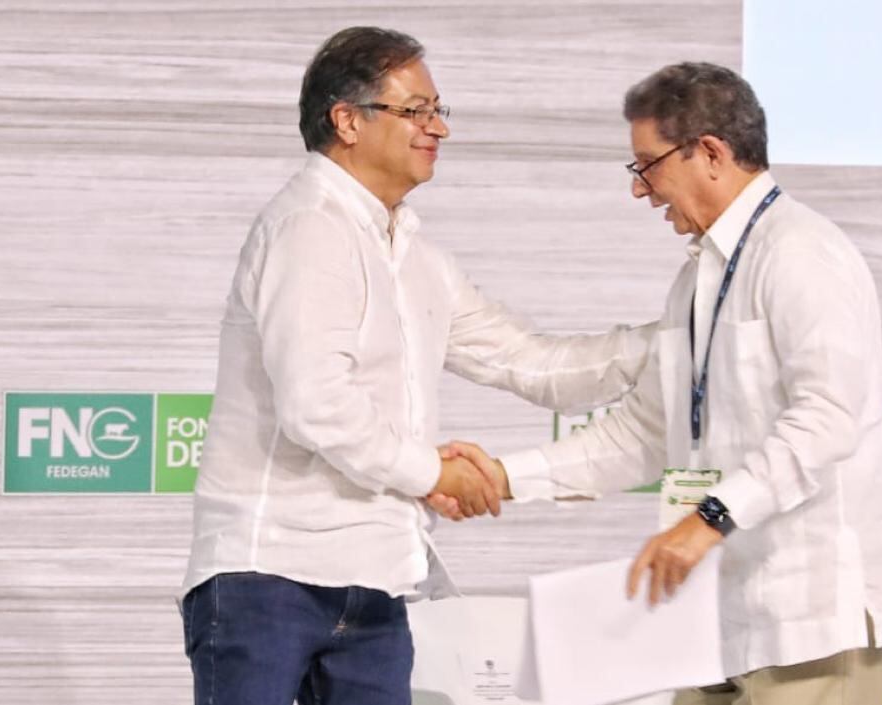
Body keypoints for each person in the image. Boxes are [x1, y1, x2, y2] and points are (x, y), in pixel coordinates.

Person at [179, 27, 654, 705]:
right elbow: (317, 405)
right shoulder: (308, 227)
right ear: (347, 121)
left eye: (438, 110)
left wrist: (678, 339)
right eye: (416, 111)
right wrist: (434, 473)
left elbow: (531, 362)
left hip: (377, 584)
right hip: (269, 577)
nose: (439, 128)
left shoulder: (417, 257)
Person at [450, 62, 882, 705]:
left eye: (648, 165)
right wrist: (504, 477)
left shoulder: (802, 254)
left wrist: (708, 519)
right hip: (715, 620)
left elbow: (826, 420)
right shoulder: (697, 280)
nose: (639, 189)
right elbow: (644, 434)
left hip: (810, 623)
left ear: (711, 153)